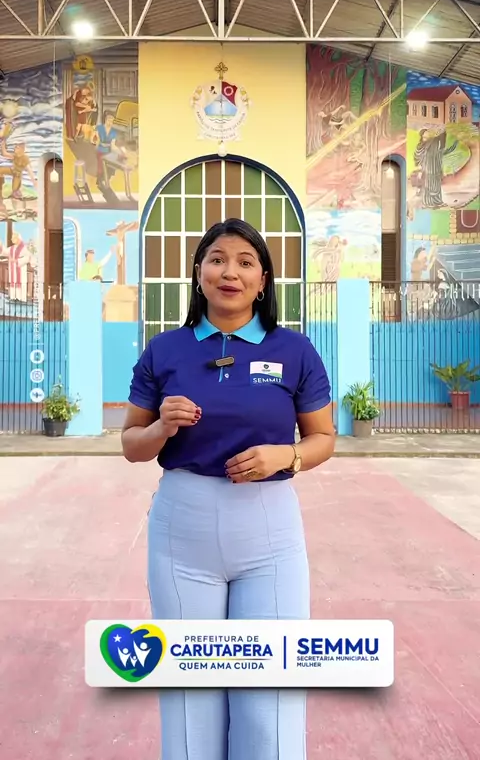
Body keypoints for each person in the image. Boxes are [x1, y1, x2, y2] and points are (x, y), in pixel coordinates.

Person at [121, 218, 335, 760]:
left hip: (268, 533)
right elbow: (131, 445)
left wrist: (284, 456)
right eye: (217, 259)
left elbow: (324, 438)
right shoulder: (164, 350)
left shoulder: (295, 350)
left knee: (269, 696)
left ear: (263, 280)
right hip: (183, 532)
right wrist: (161, 427)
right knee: (191, 695)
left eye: (245, 262)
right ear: (199, 273)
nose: (229, 272)